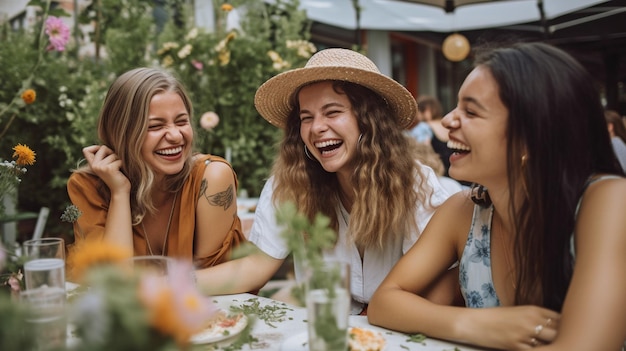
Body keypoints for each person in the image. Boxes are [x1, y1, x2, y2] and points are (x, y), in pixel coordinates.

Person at [368, 42, 626, 350]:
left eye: (471, 111)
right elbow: (384, 303)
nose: (448, 120)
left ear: (530, 137)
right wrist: (477, 325)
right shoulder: (464, 211)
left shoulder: (609, 202)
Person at [196, 48, 452, 314]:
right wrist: (170, 283)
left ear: (369, 121)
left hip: (400, 332)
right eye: (306, 117)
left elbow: (445, 277)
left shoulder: (415, 183)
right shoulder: (289, 183)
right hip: (325, 332)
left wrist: (378, 317)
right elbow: (253, 267)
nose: (316, 127)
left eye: (332, 112)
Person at [67, 67, 246, 269]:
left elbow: (213, 282)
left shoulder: (211, 178)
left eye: (181, 122)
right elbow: (116, 282)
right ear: (121, 133)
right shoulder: (88, 187)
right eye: (155, 126)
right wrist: (119, 192)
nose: (176, 136)